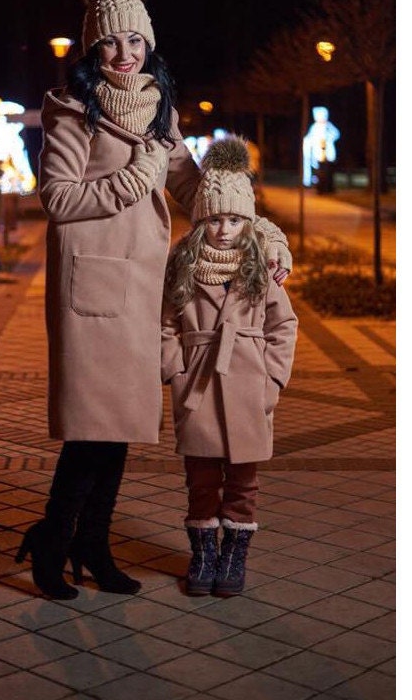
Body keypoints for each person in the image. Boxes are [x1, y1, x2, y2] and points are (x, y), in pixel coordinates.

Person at [15, 0, 293, 600]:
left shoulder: (159, 114)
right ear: (92, 47)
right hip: (90, 291)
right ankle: (53, 545)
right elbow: (56, 199)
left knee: (120, 434)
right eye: (110, 40)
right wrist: (133, 179)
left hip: (143, 291)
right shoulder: (69, 112)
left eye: (134, 38)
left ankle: (93, 545)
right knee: (91, 431)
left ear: (148, 42)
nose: (123, 52)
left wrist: (267, 233)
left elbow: (203, 189)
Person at [161, 135, 298, 597]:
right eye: (215, 219)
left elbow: (284, 325)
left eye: (235, 219)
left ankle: (234, 555)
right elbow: (164, 323)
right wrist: (175, 372)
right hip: (197, 382)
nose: (224, 229)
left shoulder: (261, 269)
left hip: (248, 384)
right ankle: (203, 553)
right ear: (201, 220)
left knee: (243, 483)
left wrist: (273, 379)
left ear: (249, 221)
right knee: (201, 480)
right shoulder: (182, 264)